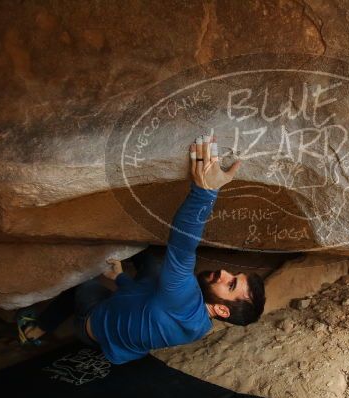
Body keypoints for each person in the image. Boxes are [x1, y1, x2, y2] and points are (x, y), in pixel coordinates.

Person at [16, 133, 266, 364]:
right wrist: (122, 279)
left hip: (90, 325)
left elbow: (182, 248)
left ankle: (34, 330)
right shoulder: (200, 327)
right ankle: (130, 268)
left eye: (230, 284)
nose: (224, 272)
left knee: (84, 284)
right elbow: (148, 302)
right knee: (154, 269)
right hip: (121, 342)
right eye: (234, 276)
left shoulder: (184, 299)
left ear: (222, 309)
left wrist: (205, 192)